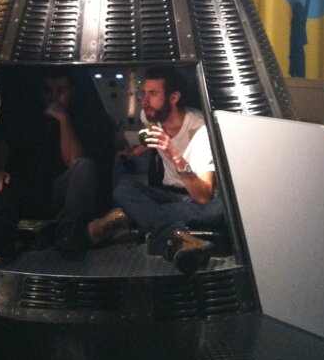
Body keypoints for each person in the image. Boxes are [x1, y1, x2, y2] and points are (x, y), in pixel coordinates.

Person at [86, 68, 223, 275]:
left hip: (195, 200)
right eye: (144, 93)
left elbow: (203, 196)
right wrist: (134, 152)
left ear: (174, 97)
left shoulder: (200, 128)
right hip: (168, 196)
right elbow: (152, 138)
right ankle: (177, 237)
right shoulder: (149, 115)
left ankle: (131, 216)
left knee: (217, 211)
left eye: (153, 94)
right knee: (124, 189)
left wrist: (173, 153)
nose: (144, 101)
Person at [0, 70, 113, 259]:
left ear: (72, 91)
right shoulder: (29, 115)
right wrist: (0, 170)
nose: (54, 97)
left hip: (60, 195)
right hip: (29, 190)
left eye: (60, 91)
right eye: (48, 91)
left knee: (84, 166)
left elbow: (74, 161)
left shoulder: (83, 118)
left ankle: (70, 235)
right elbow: (6, 142)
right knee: (3, 184)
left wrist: (63, 120)